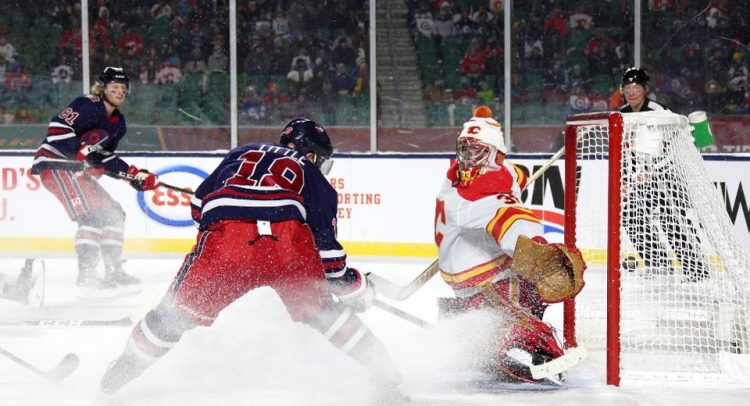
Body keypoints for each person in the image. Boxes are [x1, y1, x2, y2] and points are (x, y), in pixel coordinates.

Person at [99, 119, 406, 402]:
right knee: (325, 312)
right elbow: (328, 258)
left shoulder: (242, 152)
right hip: (287, 243)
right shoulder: (313, 176)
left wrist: (233, 222)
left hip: (227, 242)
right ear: (311, 155)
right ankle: (387, 376)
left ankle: (116, 376)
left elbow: (197, 207)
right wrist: (357, 288)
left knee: (174, 316)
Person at [434, 106, 586, 384]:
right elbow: (516, 227)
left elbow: (514, 175)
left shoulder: (455, 176)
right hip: (485, 276)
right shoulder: (478, 198)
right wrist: (541, 252)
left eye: (475, 151)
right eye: (465, 150)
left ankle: (484, 343)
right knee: (520, 305)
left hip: (462, 274)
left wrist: (518, 179)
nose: (467, 158)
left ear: (494, 155)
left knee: (525, 295)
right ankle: (540, 350)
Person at [30, 67, 159, 291]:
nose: (120, 92)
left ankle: (113, 270)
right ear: (103, 88)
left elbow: (102, 158)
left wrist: (133, 175)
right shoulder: (87, 104)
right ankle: (87, 275)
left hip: (76, 170)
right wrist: (78, 150)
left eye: (123, 89)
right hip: (56, 165)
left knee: (114, 213)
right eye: (114, 88)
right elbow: (57, 128)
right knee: (91, 218)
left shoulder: (119, 123)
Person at [618, 67, 707, 281]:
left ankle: (695, 268)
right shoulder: (621, 115)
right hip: (642, 179)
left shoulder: (658, 111)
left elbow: (674, 143)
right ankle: (657, 263)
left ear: (645, 90)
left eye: (636, 88)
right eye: (627, 88)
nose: (631, 92)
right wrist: (627, 177)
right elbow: (624, 150)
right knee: (631, 214)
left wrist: (653, 168)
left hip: (668, 175)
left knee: (672, 219)